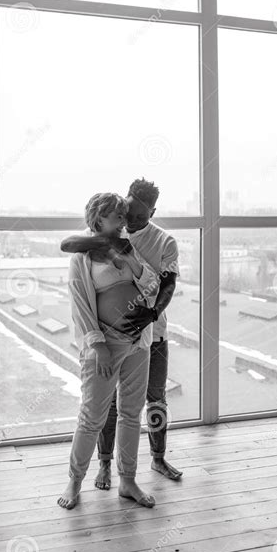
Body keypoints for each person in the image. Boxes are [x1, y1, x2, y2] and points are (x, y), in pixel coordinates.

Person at [61, 178, 183, 491]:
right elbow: (72, 251)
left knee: (150, 401)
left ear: (153, 212)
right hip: (106, 343)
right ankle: (94, 471)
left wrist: (151, 314)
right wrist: (97, 342)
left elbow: (161, 284)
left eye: (138, 216)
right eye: (124, 213)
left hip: (146, 338)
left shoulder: (161, 242)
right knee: (98, 413)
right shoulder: (104, 242)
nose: (129, 220)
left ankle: (148, 465)